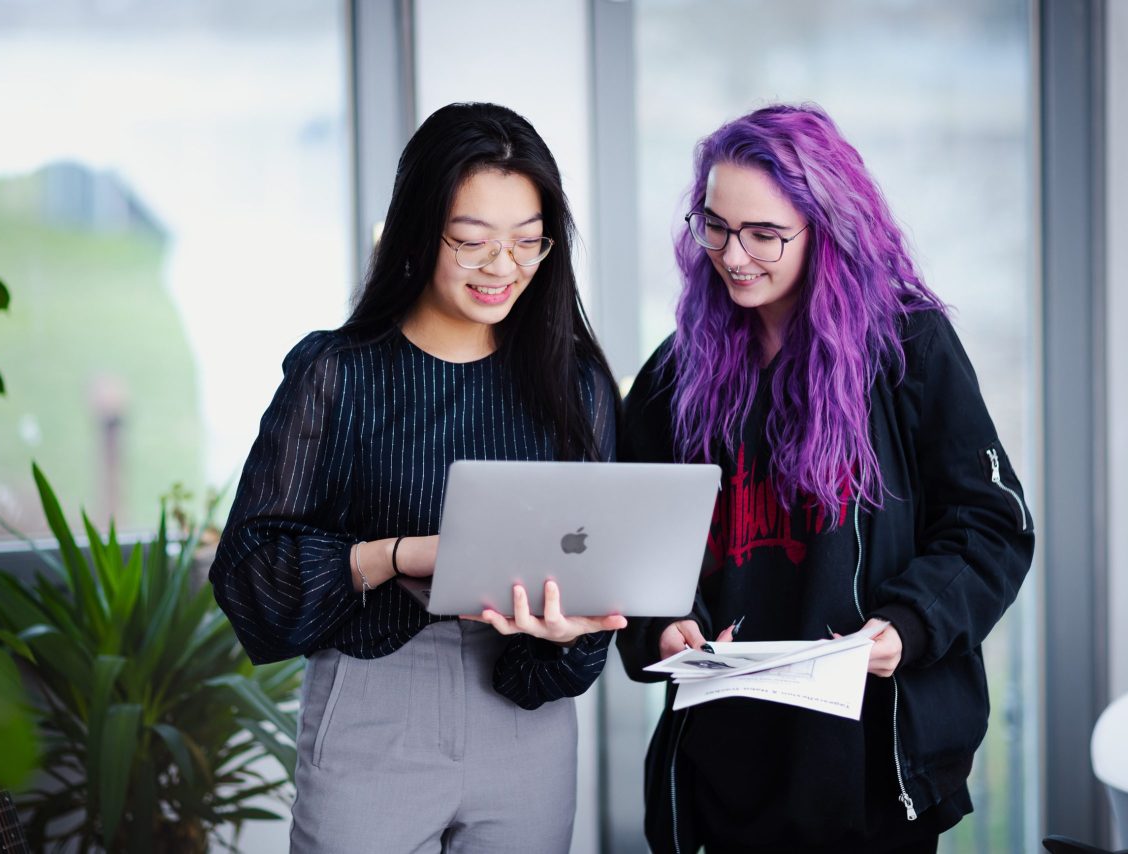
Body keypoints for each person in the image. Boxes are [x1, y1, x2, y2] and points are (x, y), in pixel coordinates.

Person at [616, 104, 1034, 853]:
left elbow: (993, 524)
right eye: (712, 225)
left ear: (829, 228)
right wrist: (658, 626)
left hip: (868, 772)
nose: (732, 254)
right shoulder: (674, 376)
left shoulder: (907, 348)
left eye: (764, 234)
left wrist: (910, 625)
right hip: (722, 773)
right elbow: (626, 544)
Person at [209, 102, 626, 854]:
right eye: (472, 244)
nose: (502, 268)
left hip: (525, 723)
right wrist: (394, 555)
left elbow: (591, 584)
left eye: (527, 243)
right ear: (417, 231)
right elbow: (249, 574)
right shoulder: (337, 373)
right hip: (375, 703)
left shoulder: (576, 382)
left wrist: (571, 633)